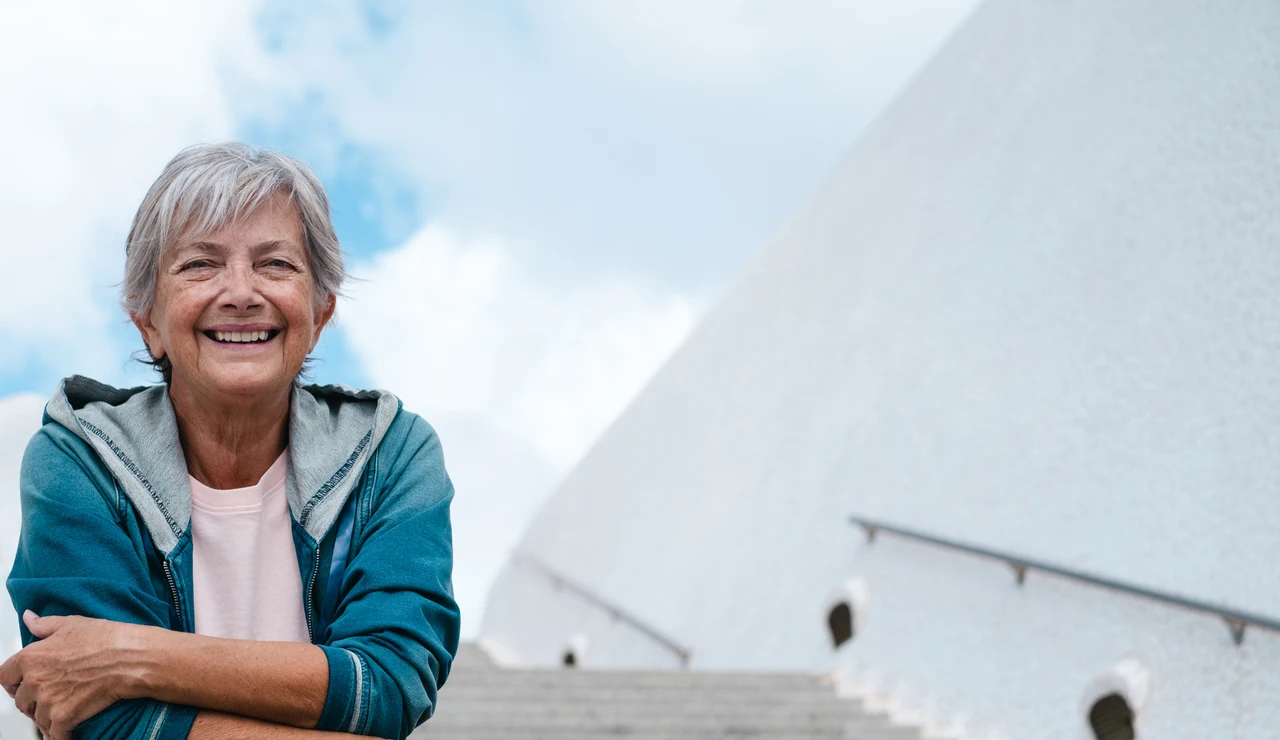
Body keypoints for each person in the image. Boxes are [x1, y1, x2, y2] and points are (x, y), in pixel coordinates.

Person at [0, 142, 461, 740]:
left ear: (321, 313)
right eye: (200, 265)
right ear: (148, 321)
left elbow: (390, 684)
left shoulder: (393, 453)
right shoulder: (78, 458)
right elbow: (97, 718)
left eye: (276, 265)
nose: (241, 292)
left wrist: (131, 654)